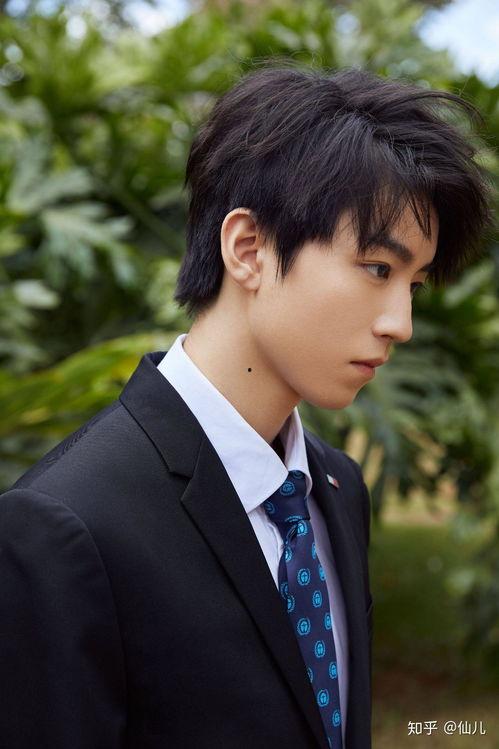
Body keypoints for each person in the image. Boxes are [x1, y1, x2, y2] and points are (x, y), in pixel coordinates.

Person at [0, 63, 489, 749]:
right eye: (378, 268)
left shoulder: (335, 488)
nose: (399, 323)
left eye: (413, 283)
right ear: (249, 249)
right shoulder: (65, 524)